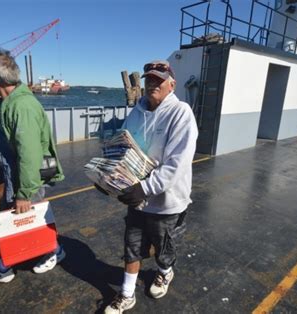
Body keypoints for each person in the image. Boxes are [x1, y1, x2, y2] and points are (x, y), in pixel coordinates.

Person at [103, 60, 198, 313]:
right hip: (137, 197)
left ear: (172, 84)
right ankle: (126, 295)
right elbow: (122, 147)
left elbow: (176, 165)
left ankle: (165, 272)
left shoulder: (181, 113)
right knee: (132, 246)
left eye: (158, 79)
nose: (152, 83)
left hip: (166, 202)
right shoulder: (137, 111)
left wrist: (144, 188)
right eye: (149, 79)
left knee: (163, 249)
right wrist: (109, 179)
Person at [0, 51, 66, 283]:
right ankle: (52, 251)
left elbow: (30, 154)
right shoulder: (11, 103)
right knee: (25, 220)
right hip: (15, 177)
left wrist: (24, 193)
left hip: (24, 179)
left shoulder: (21, 106)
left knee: (19, 218)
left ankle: (7, 265)